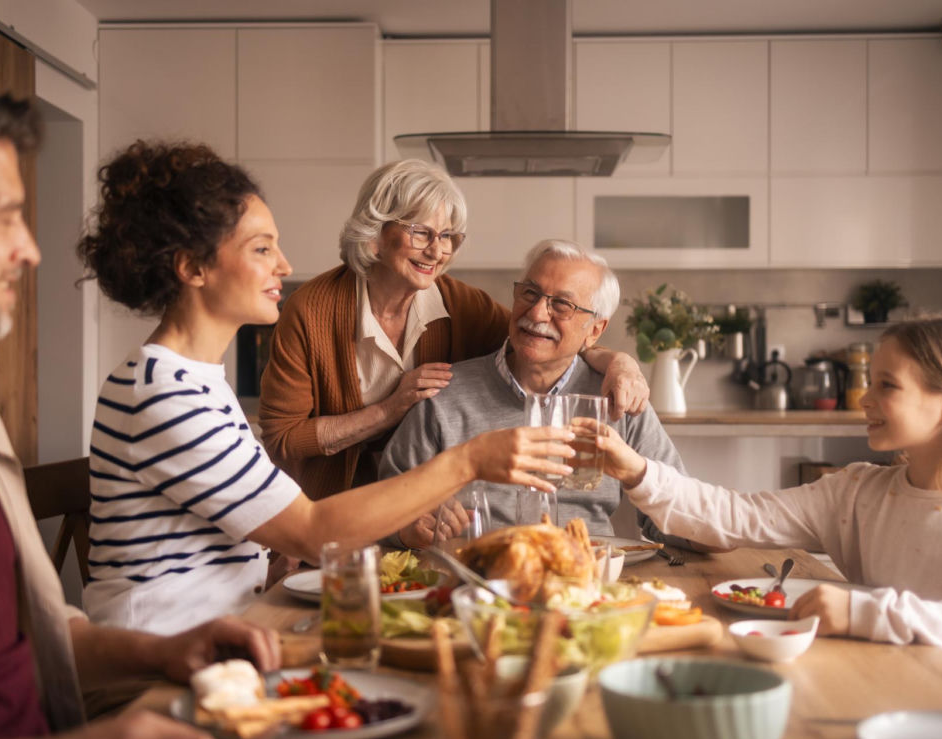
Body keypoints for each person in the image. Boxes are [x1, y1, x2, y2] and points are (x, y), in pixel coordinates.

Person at [78, 142, 574, 637]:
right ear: (193, 268)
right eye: (262, 248)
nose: (284, 265)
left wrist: (605, 358)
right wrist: (470, 461)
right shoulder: (167, 396)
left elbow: (540, 336)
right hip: (161, 652)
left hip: (223, 628)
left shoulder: (193, 382)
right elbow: (312, 530)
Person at [0, 89, 283, 739]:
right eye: (4, 215)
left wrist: (162, 652)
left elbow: (30, 640)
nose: (31, 249)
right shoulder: (156, 385)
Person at [257, 159, 647, 503]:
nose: (437, 251)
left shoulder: (461, 305)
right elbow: (282, 438)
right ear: (375, 234)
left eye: (447, 236)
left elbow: (542, 334)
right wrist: (389, 409)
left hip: (416, 510)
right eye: (421, 233)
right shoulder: (311, 310)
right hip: (327, 508)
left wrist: (621, 363)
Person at [596, 313, 942, 663]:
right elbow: (737, 515)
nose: (865, 399)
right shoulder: (856, 491)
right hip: (878, 675)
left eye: (887, 385)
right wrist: (636, 471)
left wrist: (866, 612)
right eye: (871, 382)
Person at [379, 239, 689, 546]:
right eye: (530, 293)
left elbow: (680, 517)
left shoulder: (617, 399)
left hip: (588, 573)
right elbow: (382, 508)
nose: (538, 313)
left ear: (595, 330)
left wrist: (709, 528)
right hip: (474, 572)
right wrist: (409, 527)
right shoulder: (442, 394)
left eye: (562, 305)